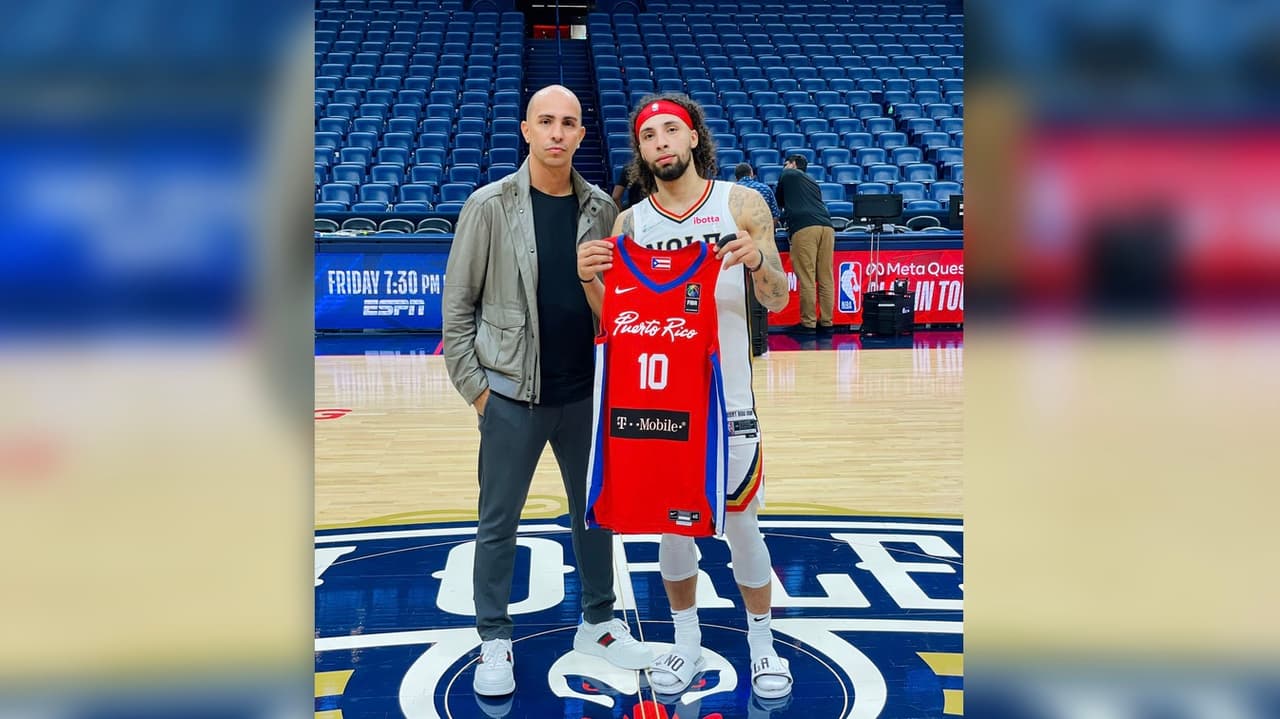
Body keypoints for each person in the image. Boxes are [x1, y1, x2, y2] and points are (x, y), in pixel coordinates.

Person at [576, 93, 795, 700]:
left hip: (730, 396)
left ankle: (762, 643)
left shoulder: (740, 203)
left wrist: (757, 264)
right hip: (665, 400)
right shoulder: (631, 223)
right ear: (642, 152)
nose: (663, 143)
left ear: (694, 137)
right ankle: (686, 642)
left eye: (673, 130)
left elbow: (778, 300)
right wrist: (591, 279)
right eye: (650, 137)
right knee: (671, 526)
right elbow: (615, 323)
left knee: (743, 525)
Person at [441, 85, 653, 697]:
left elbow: (622, 305)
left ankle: (598, 622)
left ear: (582, 134)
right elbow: (457, 308)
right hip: (510, 395)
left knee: (596, 513)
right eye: (546, 122)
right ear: (526, 130)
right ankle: (494, 637)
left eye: (569, 123)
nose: (557, 132)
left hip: (586, 392)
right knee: (497, 521)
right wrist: (479, 393)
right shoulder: (488, 205)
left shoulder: (601, 212)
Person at [775, 154, 836, 334]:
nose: (784, 167)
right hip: (827, 227)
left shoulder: (787, 175)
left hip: (805, 227)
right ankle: (827, 322)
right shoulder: (813, 182)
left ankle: (808, 323)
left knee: (807, 277)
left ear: (792, 164)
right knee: (826, 278)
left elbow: (779, 202)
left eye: (786, 163)